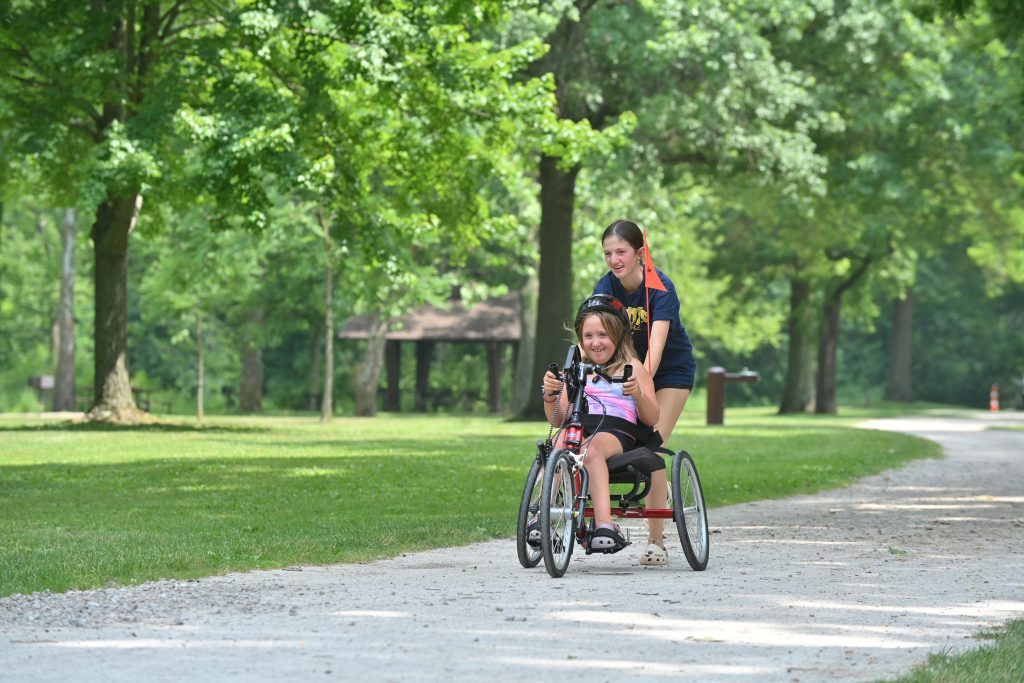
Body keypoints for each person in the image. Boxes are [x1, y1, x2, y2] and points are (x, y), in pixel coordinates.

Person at [592, 219, 696, 565]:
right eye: (608, 253)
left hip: (667, 372)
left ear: (640, 253)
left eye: (620, 252)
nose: (613, 259)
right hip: (626, 372)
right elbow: (594, 336)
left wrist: (638, 383)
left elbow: (656, 348)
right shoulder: (604, 288)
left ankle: (656, 543)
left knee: (651, 445)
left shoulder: (660, 287)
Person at [540, 295, 660, 552]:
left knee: (590, 449)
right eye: (588, 336)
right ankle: (541, 518)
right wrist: (550, 395)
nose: (595, 343)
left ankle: (605, 524)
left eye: (603, 335)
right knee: (557, 442)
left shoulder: (632, 367)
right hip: (578, 425)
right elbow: (557, 419)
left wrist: (638, 393)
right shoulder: (577, 371)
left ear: (618, 335)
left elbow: (652, 418)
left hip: (617, 431)